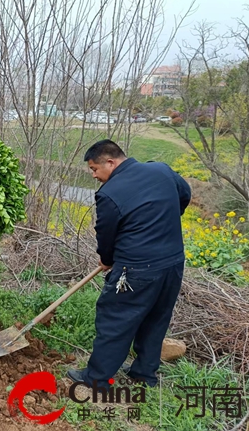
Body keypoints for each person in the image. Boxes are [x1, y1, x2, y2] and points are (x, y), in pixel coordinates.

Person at [67, 139, 191, 389]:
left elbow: (106, 232)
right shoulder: (161, 170)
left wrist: (107, 258)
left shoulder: (109, 193)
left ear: (110, 162)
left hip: (135, 269)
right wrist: (161, 220)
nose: (94, 176)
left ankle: (97, 378)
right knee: (156, 318)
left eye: (94, 169)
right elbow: (184, 194)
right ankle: (144, 374)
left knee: (115, 319)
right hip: (173, 264)